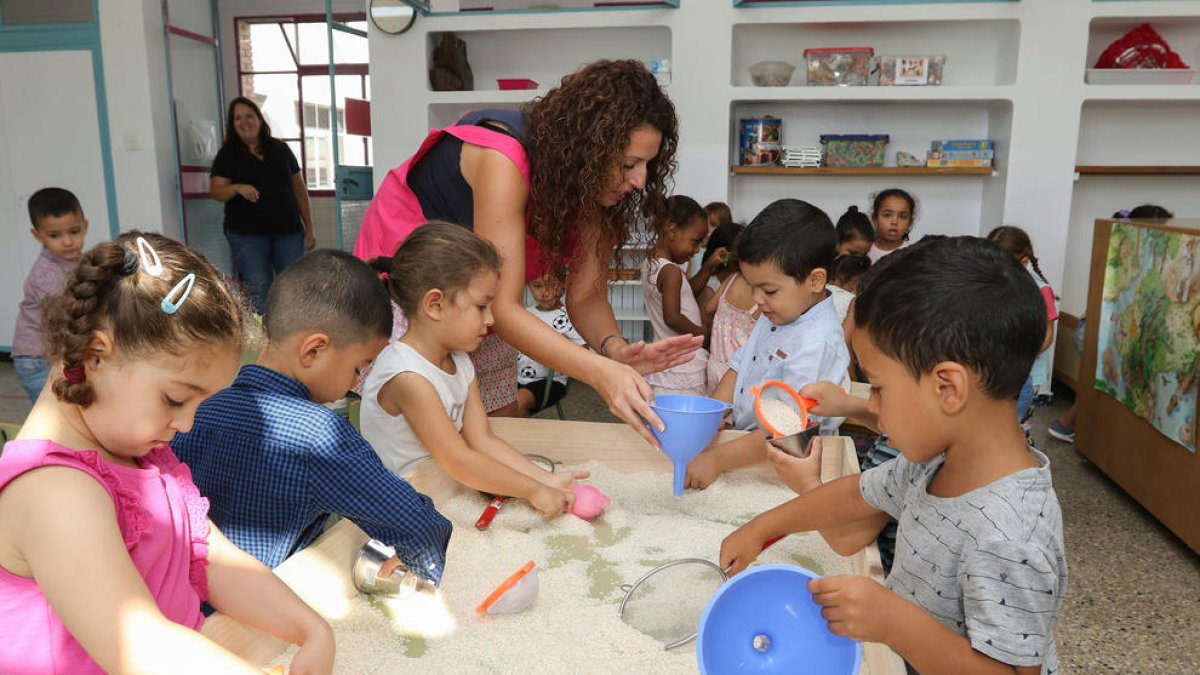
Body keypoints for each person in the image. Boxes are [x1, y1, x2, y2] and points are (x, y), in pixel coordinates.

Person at [721, 236, 1067, 675]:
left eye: (879, 388)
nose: (873, 407)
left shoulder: (1009, 534)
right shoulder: (938, 461)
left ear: (948, 388)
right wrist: (762, 528)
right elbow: (854, 496)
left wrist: (893, 622)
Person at [0, 232, 334, 673]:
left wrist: (310, 629)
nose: (186, 424)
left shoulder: (141, 455)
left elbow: (211, 559)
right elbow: (140, 642)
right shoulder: (52, 491)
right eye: (176, 399)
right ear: (93, 354)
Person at [353, 59, 701, 439]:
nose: (639, 180)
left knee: (498, 422)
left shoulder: (595, 192)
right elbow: (502, 309)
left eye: (648, 165)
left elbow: (585, 297)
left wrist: (614, 351)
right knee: (425, 428)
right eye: (629, 163)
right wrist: (597, 371)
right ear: (588, 151)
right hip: (415, 284)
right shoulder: (503, 158)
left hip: (481, 293)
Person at [173, 249, 452, 582]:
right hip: (267, 607)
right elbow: (414, 523)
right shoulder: (321, 437)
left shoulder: (199, 410)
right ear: (314, 350)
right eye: (359, 367)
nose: (356, 382)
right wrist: (425, 566)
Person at [360, 223, 586, 517]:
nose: (491, 319)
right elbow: (461, 461)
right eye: (481, 306)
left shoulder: (461, 361)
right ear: (435, 304)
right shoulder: (408, 376)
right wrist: (533, 490)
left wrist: (547, 479)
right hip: (399, 508)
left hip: (443, 493)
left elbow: (483, 440)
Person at [685, 199, 850, 489]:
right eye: (752, 286)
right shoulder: (781, 309)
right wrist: (713, 414)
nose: (758, 299)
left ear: (815, 280)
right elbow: (741, 363)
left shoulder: (816, 342)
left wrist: (716, 459)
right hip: (745, 442)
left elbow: (786, 433)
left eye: (769, 289)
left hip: (788, 465)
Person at [210, 96, 315, 314]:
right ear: (232, 124)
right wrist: (237, 187)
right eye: (238, 118)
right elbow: (216, 191)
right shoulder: (228, 154)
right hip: (247, 235)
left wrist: (310, 228)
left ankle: (293, 335)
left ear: (259, 119)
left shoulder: (280, 149)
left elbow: (299, 190)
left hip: (288, 231)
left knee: (293, 286)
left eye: (249, 116)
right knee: (259, 288)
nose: (244, 122)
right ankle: (263, 341)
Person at [12, 187, 88, 402]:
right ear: (38, 235)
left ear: (85, 226)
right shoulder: (46, 275)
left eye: (74, 231)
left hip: (54, 354)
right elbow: (70, 315)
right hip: (36, 361)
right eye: (55, 235)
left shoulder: (76, 260)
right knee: (54, 415)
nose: (67, 241)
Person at [641, 195, 715, 396]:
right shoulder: (671, 271)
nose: (696, 250)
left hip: (665, 356)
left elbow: (686, 292)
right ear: (673, 231)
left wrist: (707, 268)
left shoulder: (651, 264)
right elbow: (672, 316)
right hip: (684, 359)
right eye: (695, 241)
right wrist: (702, 334)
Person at [988, 226, 1059, 430]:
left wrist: (1017, 355)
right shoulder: (994, 285)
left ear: (1024, 260)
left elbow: (1047, 336)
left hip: (1026, 373)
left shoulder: (1040, 290)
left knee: (1016, 427)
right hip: (996, 371)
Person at [515, 271, 588, 417]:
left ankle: (516, 438)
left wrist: (563, 349)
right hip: (515, 378)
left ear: (564, 282)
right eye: (537, 286)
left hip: (550, 382)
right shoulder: (524, 314)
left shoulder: (572, 317)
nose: (545, 292)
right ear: (528, 286)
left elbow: (584, 354)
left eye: (553, 285)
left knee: (518, 403)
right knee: (490, 402)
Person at [702, 222, 758, 390]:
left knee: (718, 411)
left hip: (715, 364)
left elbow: (709, 308)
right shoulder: (761, 293)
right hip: (738, 372)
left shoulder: (731, 279)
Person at [867, 188, 916, 263]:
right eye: (887, 215)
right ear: (875, 219)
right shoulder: (864, 250)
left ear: (909, 223)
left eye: (902, 217)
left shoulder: (913, 254)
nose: (894, 222)